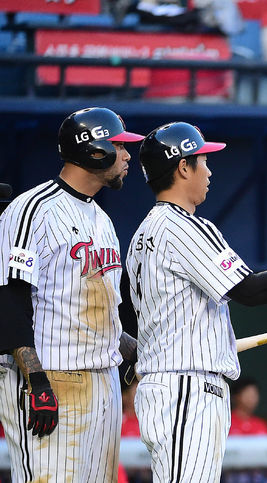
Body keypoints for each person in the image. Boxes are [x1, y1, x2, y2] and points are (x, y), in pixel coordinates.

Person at [126, 121, 267, 482]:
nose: (209, 171)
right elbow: (250, 290)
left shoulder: (143, 232)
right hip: (186, 386)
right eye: (203, 161)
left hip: (174, 382)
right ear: (183, 167)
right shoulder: (183, 226)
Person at [0, 107, 143, 482]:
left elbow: (92, 311)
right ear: (95, 150)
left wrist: (136, 348)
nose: (127, 155)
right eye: (120, 146)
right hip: (52, 378)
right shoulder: (33, 209)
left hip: (104, 381)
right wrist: (38, 383)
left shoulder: (102, 219)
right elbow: (11, 300)